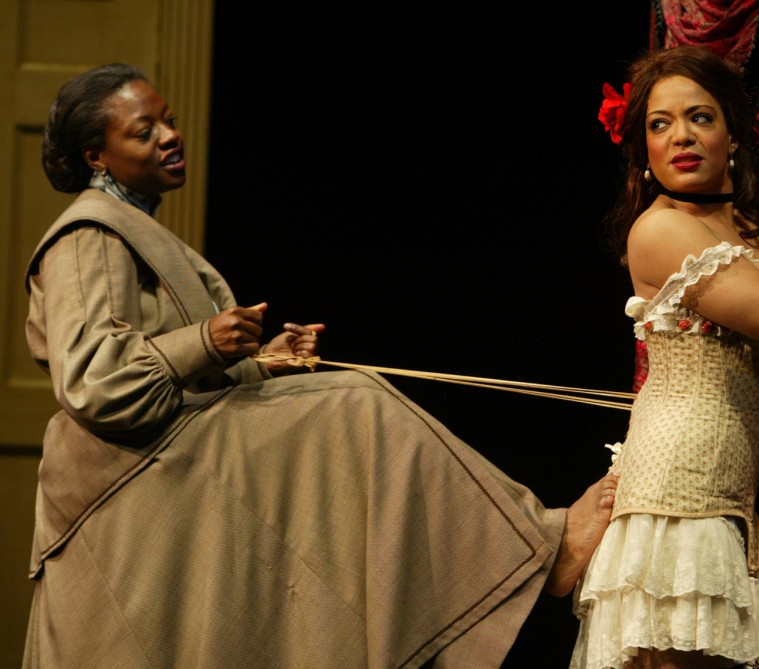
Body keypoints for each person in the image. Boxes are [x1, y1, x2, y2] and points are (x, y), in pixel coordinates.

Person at [22, 62, 620, 669]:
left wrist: (263, 366)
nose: (170, 136)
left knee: (353, 412)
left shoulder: (132, 227)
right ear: (96, 156)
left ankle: (517, 555)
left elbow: (176, 374)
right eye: (144, 131)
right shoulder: (87, 236)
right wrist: (205, 340)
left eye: (169, 122)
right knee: (357, 405)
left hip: (166, 450)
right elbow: (95, 382)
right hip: (126, 473)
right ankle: (545, 547)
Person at [568, 46, 759, 669]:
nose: (681, 136)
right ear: (644, 149)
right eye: (660, 124)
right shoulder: (659, 231)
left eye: (700, 117)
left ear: (732, 136)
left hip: (722, 500)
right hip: (673, 499)